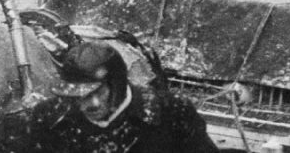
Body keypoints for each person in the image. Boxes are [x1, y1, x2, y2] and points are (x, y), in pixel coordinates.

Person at [30, 42, 219, 153]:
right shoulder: (49, 117)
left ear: (117, 84)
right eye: (78, 96)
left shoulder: (172, 111)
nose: (89, 104)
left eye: (96, 93)